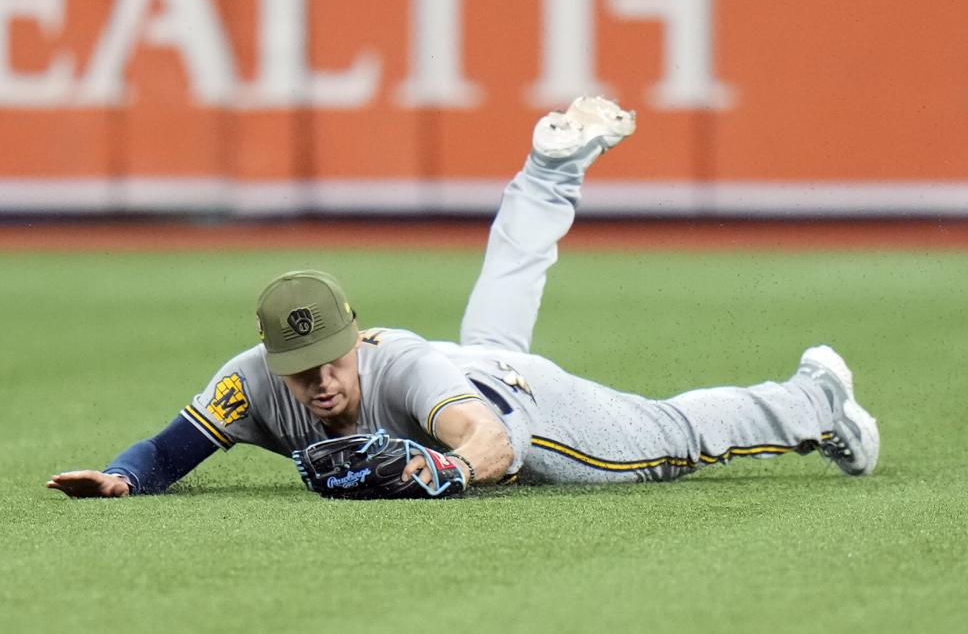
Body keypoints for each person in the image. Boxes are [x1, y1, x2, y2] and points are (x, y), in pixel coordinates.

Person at [46, 96, 880, 499]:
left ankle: (816, 399)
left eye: (330, 362)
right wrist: (122, 478)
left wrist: (438, 469)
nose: (320, 384)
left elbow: (488, 441)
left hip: (515, 404)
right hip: (472, 362)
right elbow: (171, 447)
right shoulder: (252, 381)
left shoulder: (399, 368)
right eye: (300, 373)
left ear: (357, 339)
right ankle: (549, 174)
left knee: (672, 439)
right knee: (501, 303)